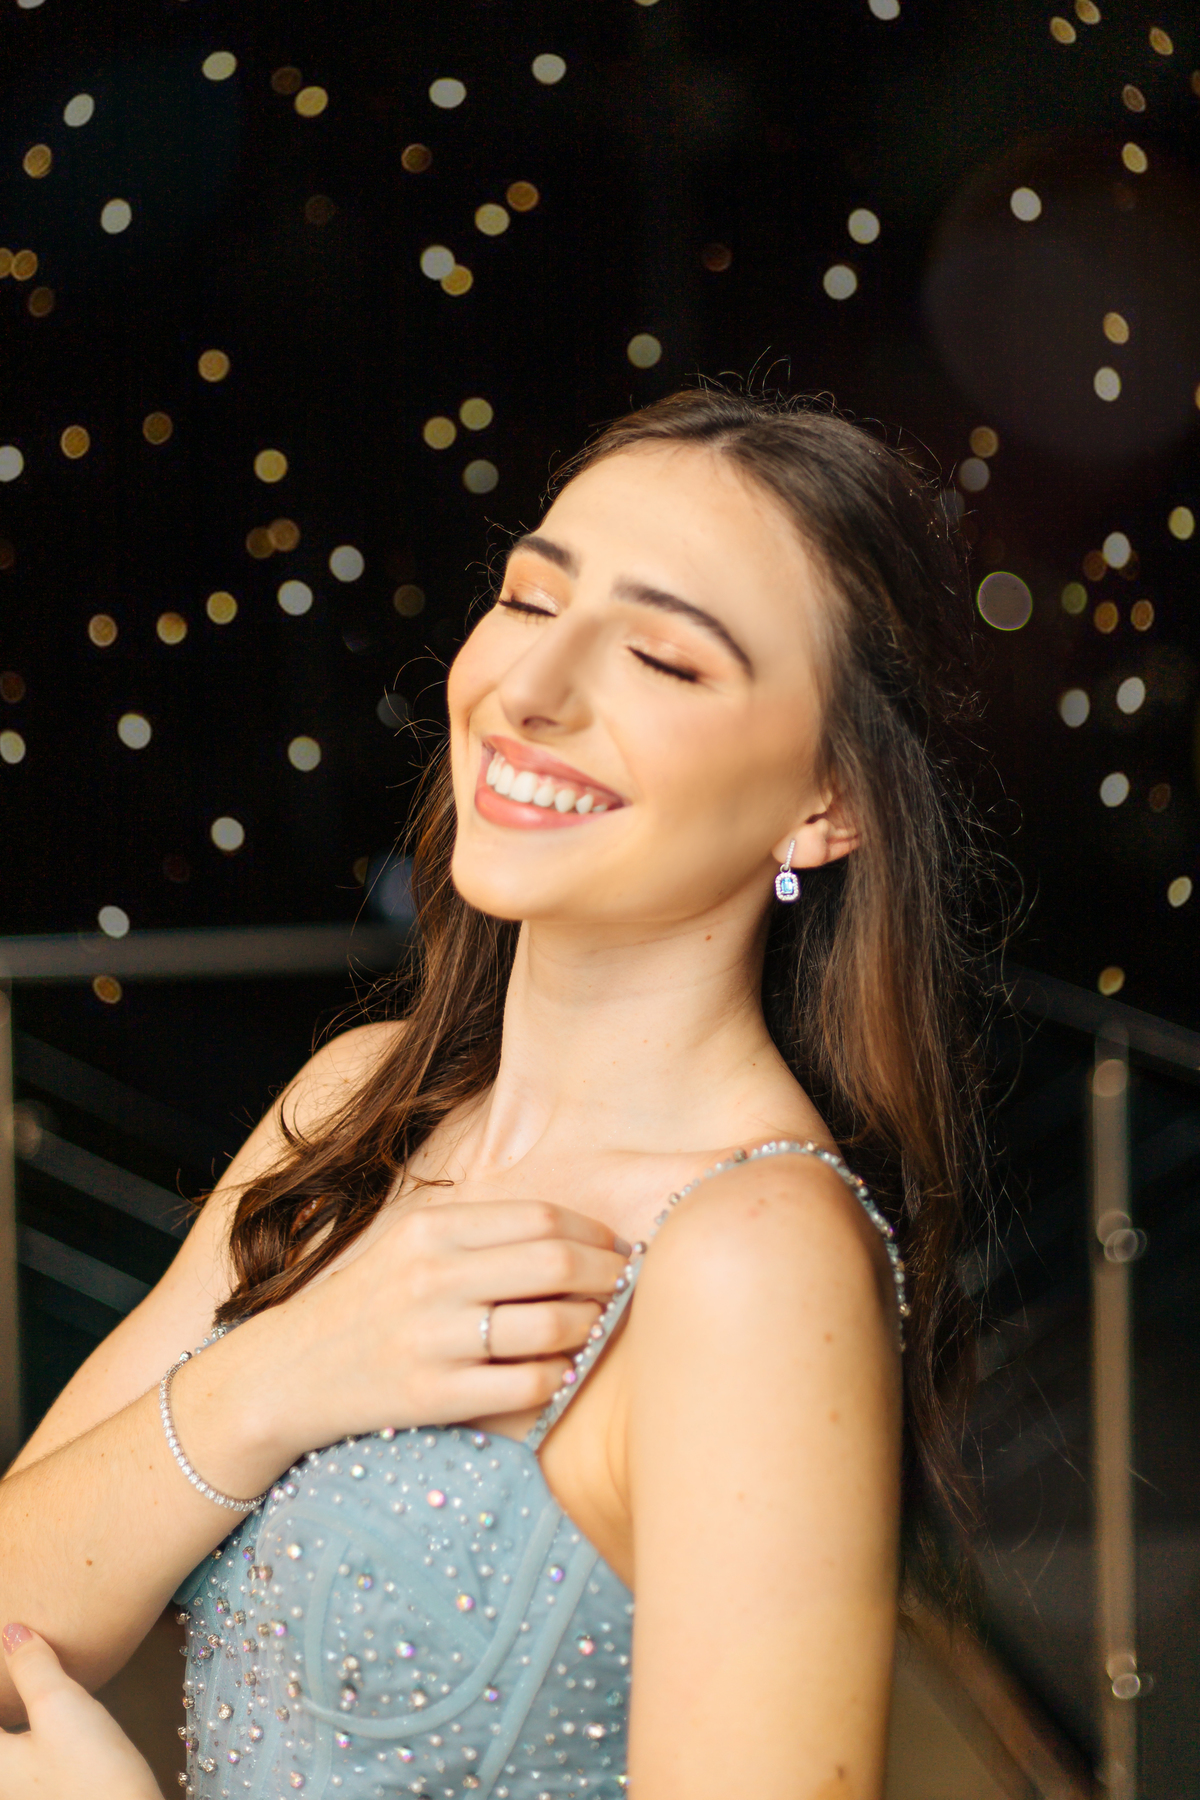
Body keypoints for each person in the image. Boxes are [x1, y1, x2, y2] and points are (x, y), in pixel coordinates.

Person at [0, 384, 990, 1800]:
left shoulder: (752, 1259)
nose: (532, 688)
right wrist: (278, 1374)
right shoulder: (364, 1100)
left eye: (662, 657)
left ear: (824, 803)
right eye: (531, 599)